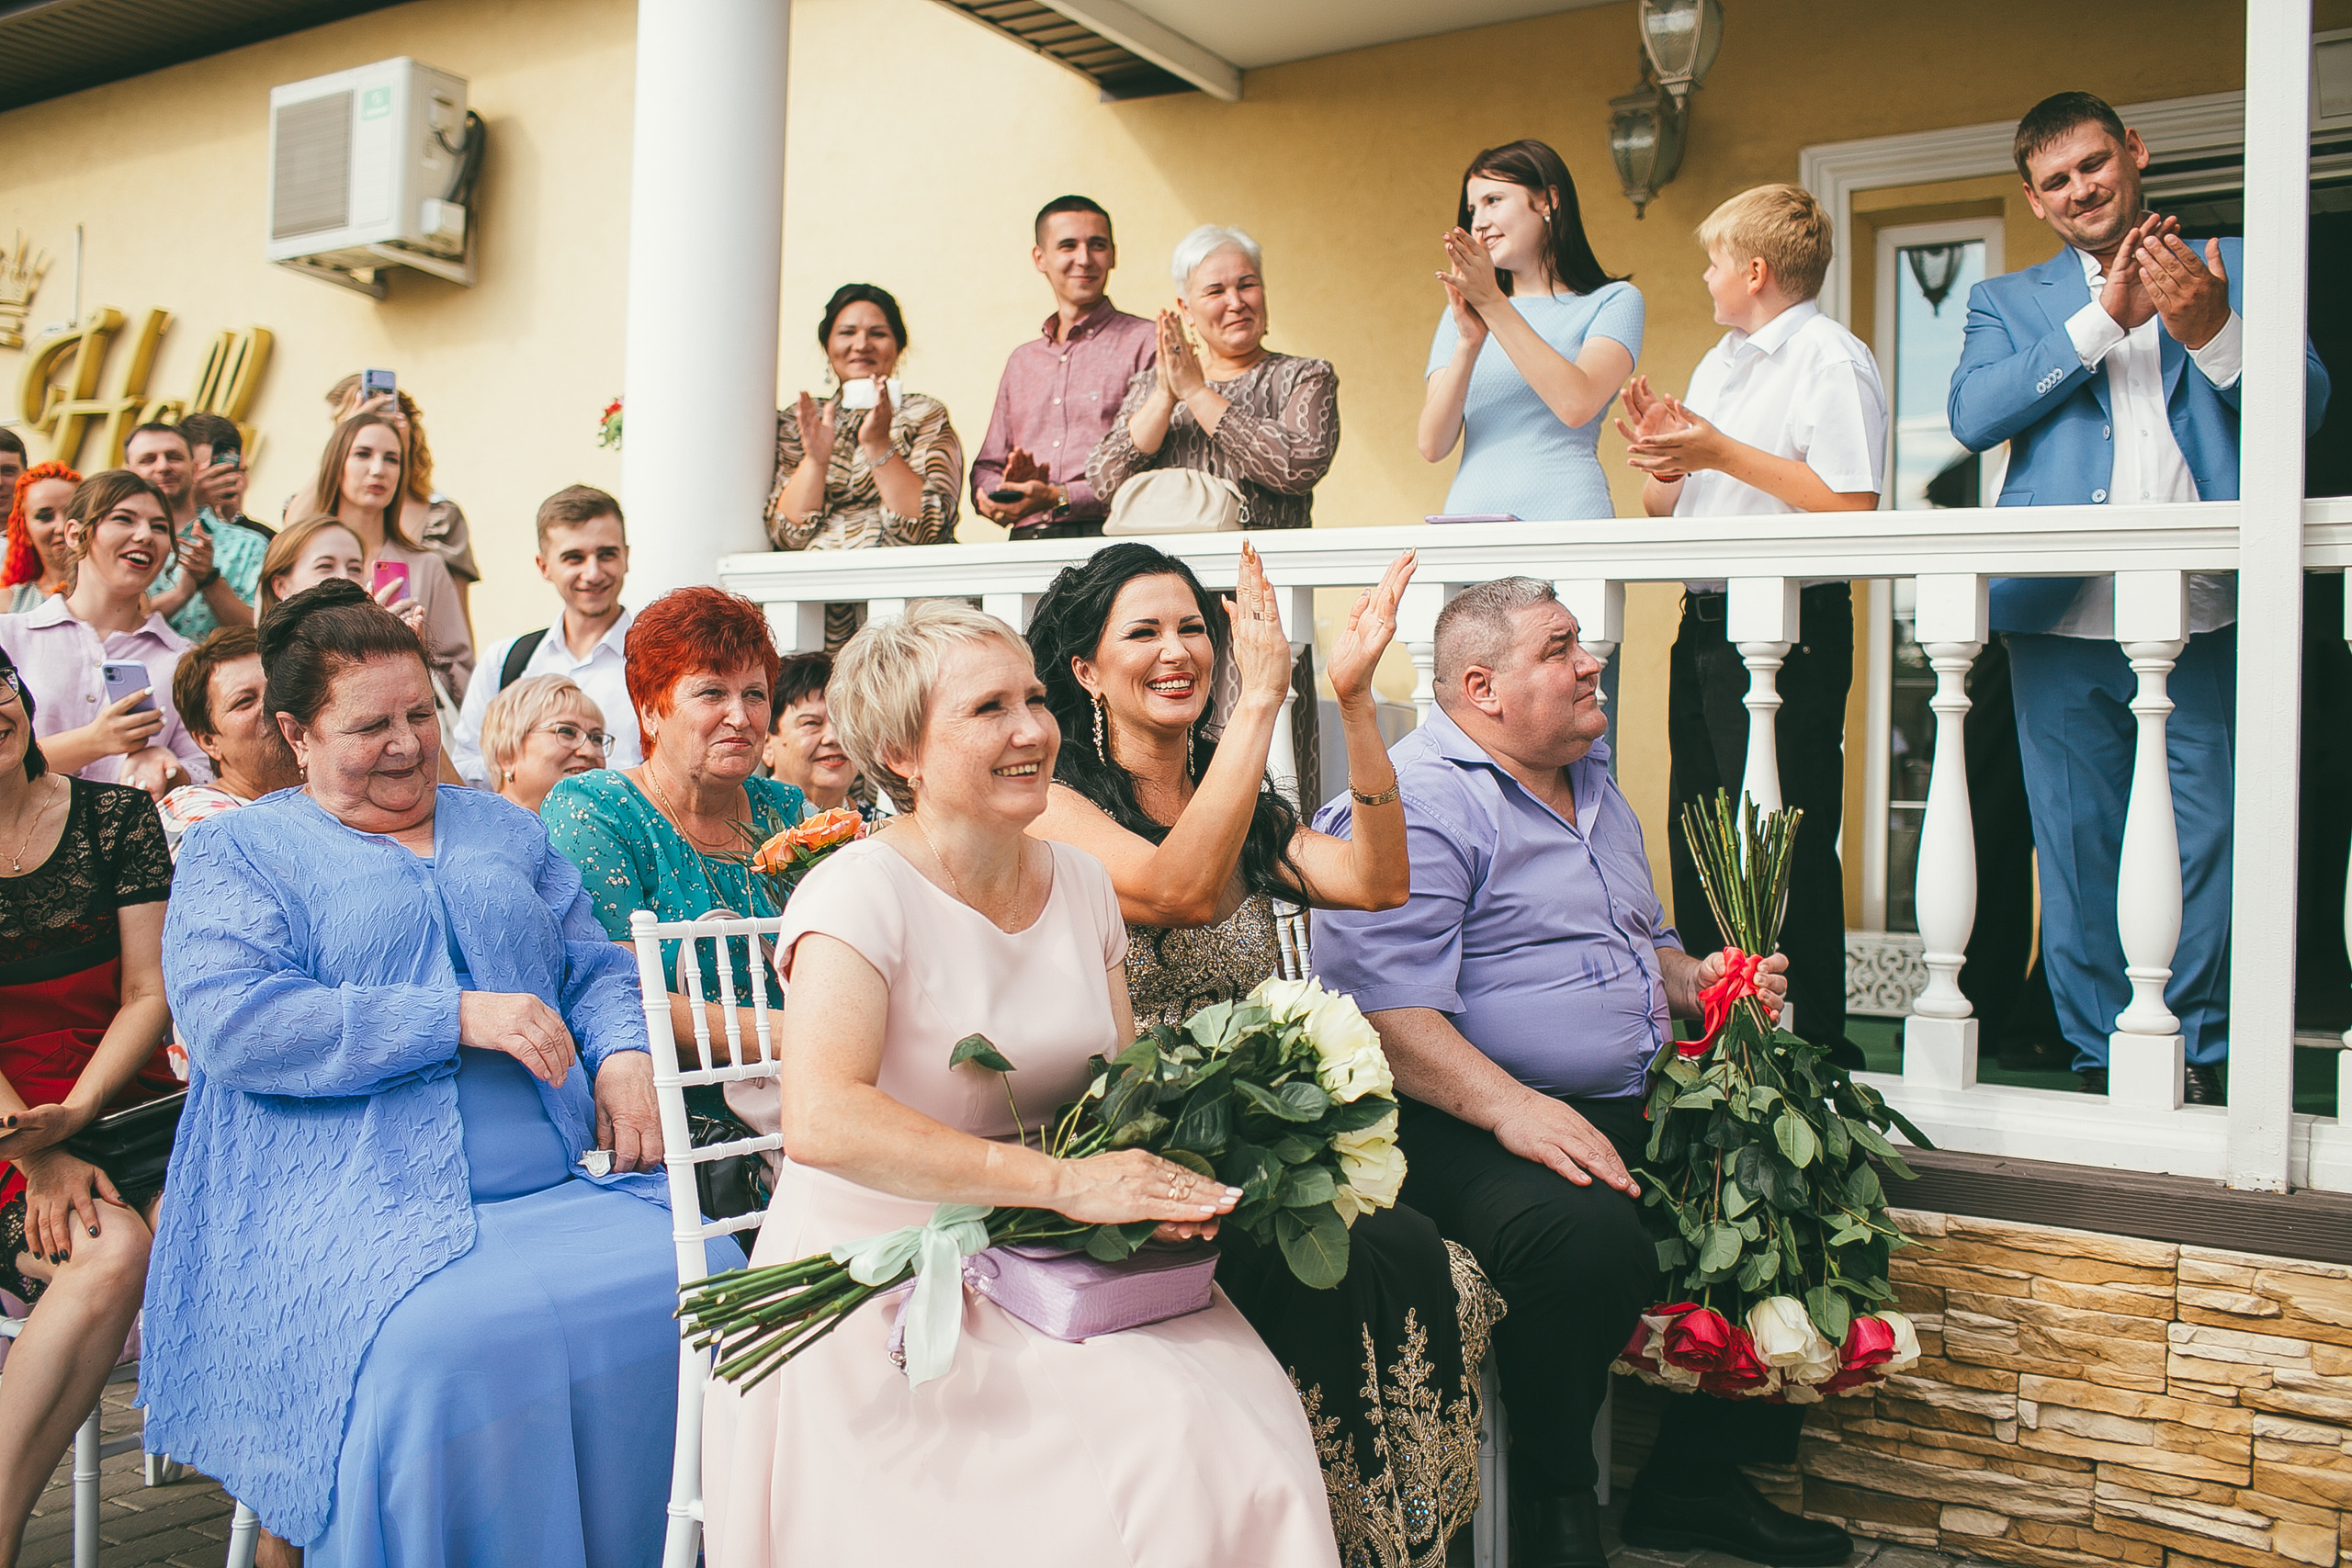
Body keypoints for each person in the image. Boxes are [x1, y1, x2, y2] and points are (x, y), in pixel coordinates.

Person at [699, 600, 1339, 1567]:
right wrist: (1069, 1187)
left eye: (1034, 698)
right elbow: (823, 1120)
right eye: (989, 708)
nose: (1032, 729)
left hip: (1060, 1255)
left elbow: (1114, 1089)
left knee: (1246, 1437)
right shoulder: (857, 892)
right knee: (1142, 1461)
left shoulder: (1079, 881)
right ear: (903, 754)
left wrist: (1168, 1173)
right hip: (887, 1270)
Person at [144, 579, 736, 1564]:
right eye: (368, 724)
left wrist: (627, 1055)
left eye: (420, 713)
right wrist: (450, 1016)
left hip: (554, 1182)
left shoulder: (503, 828)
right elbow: (234, 1021)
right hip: (342, 1198)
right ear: (296, 733)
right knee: (447, 1347)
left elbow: (590, 964)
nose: (408, 742)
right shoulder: (241, 851)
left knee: (706, 1278)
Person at [1311, 580, 1845, 1568]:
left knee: (1786, 1183)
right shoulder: (1418, 802)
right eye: (1560, 649)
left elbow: (1636, 950)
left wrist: (1701, 981)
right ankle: (1561, 1499)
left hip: (1618, 1095)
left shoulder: (1593, 783)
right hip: (1452, 1115)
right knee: (1585, 1235)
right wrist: (1516, 1110)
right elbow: (1380, 1015)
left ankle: (1691, 1484)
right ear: (1482, 688)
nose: (1590, 661)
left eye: (1580, 644)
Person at [1025, 540, 1499, 1565]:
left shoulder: (1236, 797)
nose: (1176, 651)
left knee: (1406, 1247)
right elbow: (1171, 893)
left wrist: (1355, 703)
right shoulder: (1055, 802)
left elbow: (1376, 881)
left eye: (1193, 627)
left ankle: (1406, 1544)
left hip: (1254, 1141)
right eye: (1142, 632)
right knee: (1322, 1268)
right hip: (1131, 1144)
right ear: (1084, 671)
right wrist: (1258, 706)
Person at [1949, 92, 2331, 1103]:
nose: (2082, 188)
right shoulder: (2007, 300)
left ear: (2133, 153)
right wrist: (2097, 322)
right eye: (2057, 180)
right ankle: (2094, 1054)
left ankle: (2191, 1051)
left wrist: (2212, 329)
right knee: (2078, 844)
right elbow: (1975, 416)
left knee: (2208, 834)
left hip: (2206, 605)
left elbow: (2308, 405)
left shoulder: (2235, 262)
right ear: (2035, 202)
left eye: (2092, 163)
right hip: (2061, 612)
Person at [1619, 183, 1887, 1067]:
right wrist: (1666, 454)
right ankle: (1718, 1028)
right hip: (1704, 622)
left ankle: (1810, 1042)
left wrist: (1717, 449)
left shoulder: (1830, 359)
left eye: (1713, 260)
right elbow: (1671, 507)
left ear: (1756, 270)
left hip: (1790, 626)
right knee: (1701, 825)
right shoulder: (1719, 363)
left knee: (1783, 837)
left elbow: (1851, 505)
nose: (1705, 275)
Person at [0, 645, 180, 1568]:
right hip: (8, 1129)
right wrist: (37, 1146)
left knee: (221, 1227)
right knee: (111, 1255)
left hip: (130, 1100)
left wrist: (75, 1114)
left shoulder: (116, 817)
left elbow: (149, 995)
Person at [544, 589, 804, 1134]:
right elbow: (616, 986)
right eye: (712, 693)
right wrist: (813, 1033)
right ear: (650, 710)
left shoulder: (786, 811)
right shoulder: (596, 809)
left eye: (755, 694)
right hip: (679, 1113)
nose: (741, 716)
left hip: (809, 1091)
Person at [1419, 140, 1643, 523]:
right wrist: (1469, 342)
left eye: (1494, 200)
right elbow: (1432, 445)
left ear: (1547, 201)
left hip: (1565, 522)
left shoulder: (1615, 301)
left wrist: (1492, 303)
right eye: (1473, 209)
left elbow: (1576, 405)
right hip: (1470, 528)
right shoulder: (1462, 315)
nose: (1479, 222)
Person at [1089, 226, 1340, 532]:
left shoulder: (1305, 376)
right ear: (1186, 309)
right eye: (1215, 291)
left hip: (1260, 570)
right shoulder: (1152, 384)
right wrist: (1166, 395)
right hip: (1168, 570)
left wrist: (1196, 392)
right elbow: (1104, 481)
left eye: (1247, 285)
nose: (1235, 303)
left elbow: (1296, 469)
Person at [764, 285, 964, 648]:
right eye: (847, 333)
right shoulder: (801, 422)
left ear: (898, 346)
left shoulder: (924, 413)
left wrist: (877, 444)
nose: (861, 344)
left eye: (878, 333)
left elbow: (927, 525)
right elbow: (786, 533)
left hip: (908, 619)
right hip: (815, 619)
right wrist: (817, 459)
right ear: (827, 345)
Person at [0, 469, 207, 797]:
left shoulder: (185, 659)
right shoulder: (8, 638)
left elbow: (208, 768)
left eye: (159, 527)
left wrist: (170, 768)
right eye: (124, 519)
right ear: (74, 533)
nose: (145, 535)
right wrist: (94, 741)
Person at [970, 195, 1158, 540]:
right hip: (1027, 543)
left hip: (1114, 541)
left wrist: (1061, 496)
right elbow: (987, 466)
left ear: (1113, 254)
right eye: (1068, 246)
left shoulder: (1147, 341)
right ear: (1040, 258)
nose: (1084, 259)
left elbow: (1151, 464)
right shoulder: (1022, 361)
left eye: (1097, 245)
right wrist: (998, 495)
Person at [451, 486, 639, 784]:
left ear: (626, 557)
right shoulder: (505, 661)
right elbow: (465, 766)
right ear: (544, 566)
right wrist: (526, 772)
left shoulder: (662, 664)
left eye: (606, 555)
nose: (593, 573)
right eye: (574, 558)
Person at [288, 412, 475, 702]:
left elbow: (462, 673)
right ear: (335, 463)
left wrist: (412, 652)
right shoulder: (298, 558)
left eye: (392, 459)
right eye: (363, 454)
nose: (378, 470)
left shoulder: (426, 565)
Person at [323, 377, 479, 613]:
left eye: (391, 457)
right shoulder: (312, 511)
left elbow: (455, 632)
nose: (377, 469)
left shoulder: (440, 518)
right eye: (348, 426)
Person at [156, 626, 305, 854]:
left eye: (278, 688)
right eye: (244, 702)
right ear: (208, 741)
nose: (274, 705)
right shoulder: (194, 814)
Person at [126, 422, 262, 640]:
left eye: (174, 457)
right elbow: (109, 627)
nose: (163, 467)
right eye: (148, 459)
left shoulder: (247, 544)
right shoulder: (117, 545)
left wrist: (210, 580)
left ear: (195, 467)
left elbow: (262, 633)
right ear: (129, 473)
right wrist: (180, 594)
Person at [482, 674, 608, 814]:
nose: (589, 751)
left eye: (597, 738)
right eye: (566, 731)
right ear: (507, 755)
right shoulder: (473, 832)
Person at [762, 651, 863, 817]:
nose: (834, 738)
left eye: (844, 722)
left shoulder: (885, 831)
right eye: (811, 723)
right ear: (767, 745)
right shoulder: (739, 829)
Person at [177, 412, 271, 542]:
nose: (231, 482)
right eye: (218, 473)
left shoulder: (261, 540)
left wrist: (235, 520)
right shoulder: (157, 528)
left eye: (240, 472)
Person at [4, 462, 79, 614]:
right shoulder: (6, 604)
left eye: (73, 512)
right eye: (45, 516)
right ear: (25, 531)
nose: (61, 526)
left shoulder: (133, 596)